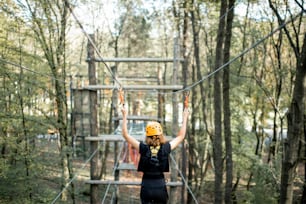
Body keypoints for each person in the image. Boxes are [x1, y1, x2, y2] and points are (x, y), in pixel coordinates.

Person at [121, 107, 189, 204]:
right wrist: (185, 117)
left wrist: (124, 116)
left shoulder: (143, 148)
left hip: (146, 187)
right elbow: (181, 136)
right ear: (161, 134)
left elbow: (125, 135)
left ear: (147, 135)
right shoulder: (166, 148)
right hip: (160, 187)